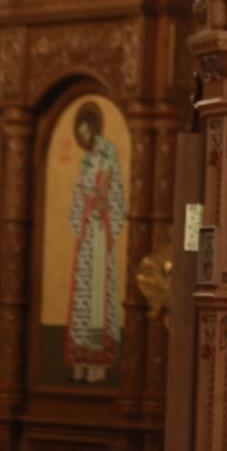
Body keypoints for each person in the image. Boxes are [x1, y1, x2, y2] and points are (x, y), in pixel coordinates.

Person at [65, 101, 126, 383]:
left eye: (87, 132)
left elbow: (109, 194)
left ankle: (97, 366)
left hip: (100, 232)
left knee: (97, 295)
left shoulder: (107, 155)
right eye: (81, 134)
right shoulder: (86, 160)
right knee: (83, 292)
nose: (85, 138)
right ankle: (79, 361)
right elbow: (80, 194)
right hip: (87, 233)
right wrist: (83, 205)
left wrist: (98, 199)